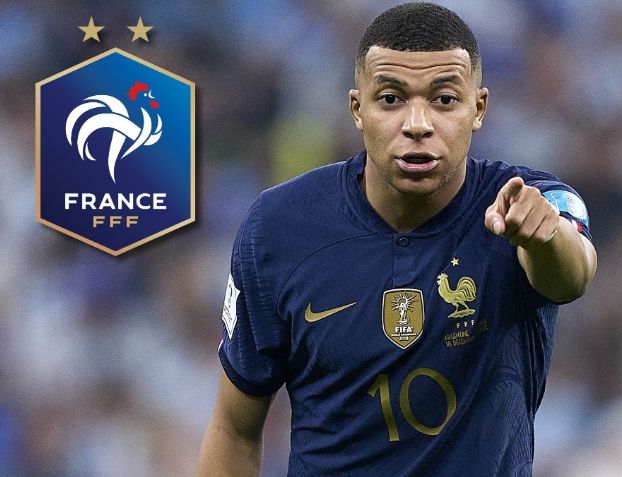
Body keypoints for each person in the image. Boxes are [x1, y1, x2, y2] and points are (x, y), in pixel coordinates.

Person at [196, 3, 597, 475]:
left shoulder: (530, 202)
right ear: (357, 109)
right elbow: (235, 427)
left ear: (478, 108)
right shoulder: (278, 226)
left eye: (444, 99)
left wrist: (542, 237)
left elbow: (572, 277)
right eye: (390, 99)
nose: (417, 123)